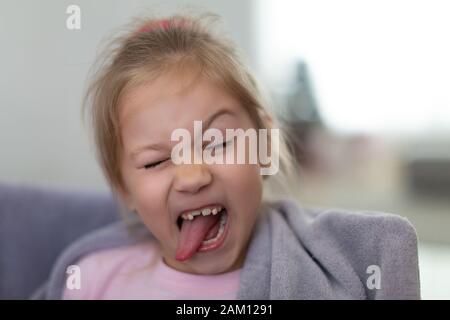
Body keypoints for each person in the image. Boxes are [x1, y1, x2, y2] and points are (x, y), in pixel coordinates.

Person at [36, 13, 420, 299]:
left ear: (265, 147)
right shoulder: (93, 282)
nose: (192, 176)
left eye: (217, 143)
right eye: (155, 161)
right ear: (124, 189)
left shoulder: (332, 276)